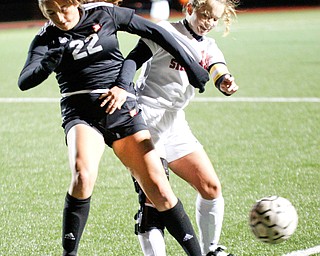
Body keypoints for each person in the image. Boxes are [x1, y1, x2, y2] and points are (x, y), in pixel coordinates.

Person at [18, 0, 211, 255]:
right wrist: (46, 65)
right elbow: (25, 80)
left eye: (64, 9)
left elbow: (156, 32)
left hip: (121, 108)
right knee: (82, 175)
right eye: (51, 13)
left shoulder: (104, 14)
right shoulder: (47, 38)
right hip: (81, 113)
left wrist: (191, 65)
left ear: (75, 3)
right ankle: (69, 253)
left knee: (159, 189)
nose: (60, 18)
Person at [107, 0, 239, 255]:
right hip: (146, 120)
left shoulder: (209, 45)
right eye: (205, 15)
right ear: (190, 9)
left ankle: (210, 249)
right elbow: (133, 59)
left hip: (175, 123)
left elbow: (217, 68)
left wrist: (225, 82)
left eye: (215, 19)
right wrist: (123, 86)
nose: (209, 23)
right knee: (153, 204)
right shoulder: (166, 31)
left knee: (211, 188)